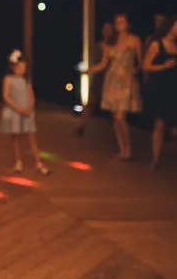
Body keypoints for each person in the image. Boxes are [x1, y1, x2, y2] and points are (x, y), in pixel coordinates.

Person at [86, 13, 142, 160]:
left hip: (126, 81)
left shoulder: (135, 40)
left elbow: (141, 63)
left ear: (128, 23)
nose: (120, 24)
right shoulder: (111, 42)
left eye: (122, 21)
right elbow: (104, 64)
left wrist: (135, 71)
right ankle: (121, 148)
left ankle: (128, 148)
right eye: (117, 22)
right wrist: (89, 70)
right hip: (112, 81)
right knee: (114, 117)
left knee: (120, 116)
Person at [0, 50, 51, 175]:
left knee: (31, 137)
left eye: (23, 66)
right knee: (16, 137)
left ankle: (38, 162)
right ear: (13, 67)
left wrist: (30, 107)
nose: (21, 69)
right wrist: (18, 109)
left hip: (27, 111)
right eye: (19, 66)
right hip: (14, 111)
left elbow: (31, 94)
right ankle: (18, 162)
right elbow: (6, 96)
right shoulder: (8, 79)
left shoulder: (26, 79)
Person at [142, 15, 177, 170]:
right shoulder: (157, 44)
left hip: (173, 87)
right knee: (160, 123)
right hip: (160, 87)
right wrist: (164, 66)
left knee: (170, 123)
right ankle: (155, 159)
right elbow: (145, 65)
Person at [76, 22, 115, 135]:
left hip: (110, 78)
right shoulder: (99, 45)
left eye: (108, 29)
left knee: (113, 106)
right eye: (104, 29)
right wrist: (89, 71)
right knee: (90, 102)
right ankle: (81, 125)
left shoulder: (114, 46)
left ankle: (115, 129)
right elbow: (99, 62)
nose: (106, 32)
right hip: (98, 78)